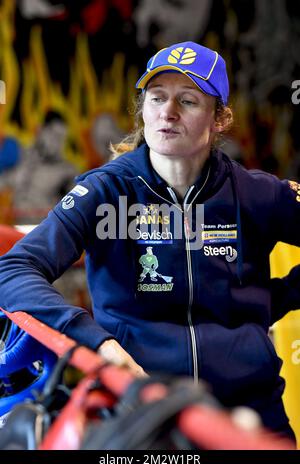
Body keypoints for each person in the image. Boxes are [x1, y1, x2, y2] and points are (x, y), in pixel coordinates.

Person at [0, 41, 299, 443]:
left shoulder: (257, 194)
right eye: (156, 98)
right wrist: (98, 342)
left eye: (188, 101)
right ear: (143, 108)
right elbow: (13, 267)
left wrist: (269, 301)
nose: (167, 113)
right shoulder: (106, 190)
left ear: (220, 117)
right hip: (138, 410)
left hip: (250, 410)